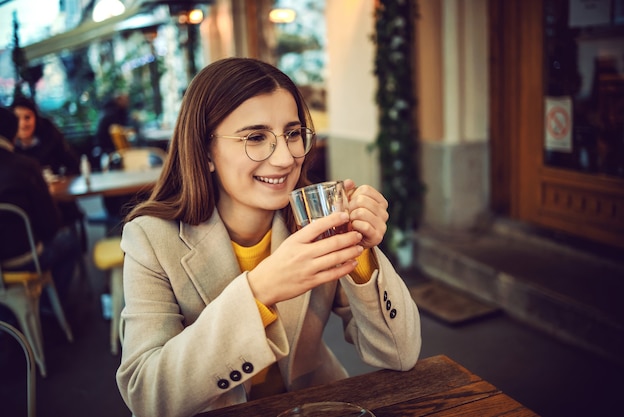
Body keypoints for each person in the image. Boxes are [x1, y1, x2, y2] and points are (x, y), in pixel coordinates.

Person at [116, 57, 421, 417]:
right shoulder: (151, 239)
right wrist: (259, 291)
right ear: (205, 151)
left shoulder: (318, 222)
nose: (284, 158)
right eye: (256, 137)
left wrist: (363, 252)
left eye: (292, 134)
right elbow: (147, 396)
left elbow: (400, 355)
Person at [0, 106, 82, 312]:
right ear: (13, 134)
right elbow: (51, 226)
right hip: (23, 257)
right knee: (70, 240)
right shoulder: (26, 166)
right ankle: (49, 305)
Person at [11, 97, 86, 249]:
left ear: (35, 118)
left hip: (57, 201)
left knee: (64, 239)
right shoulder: (8, 147)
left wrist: (63, 183)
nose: (23, 123)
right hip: (24, 207)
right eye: (17, 118)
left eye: (27, 117)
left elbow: (73, 163)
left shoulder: (49, 136)